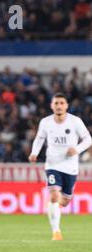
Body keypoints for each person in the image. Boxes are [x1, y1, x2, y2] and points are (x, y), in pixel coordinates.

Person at [29, 93, 92, 241]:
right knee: (54, 195)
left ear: (66, 106)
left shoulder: (75, 121)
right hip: (52, 164)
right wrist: (34, 153)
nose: (58, 106)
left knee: (64, 201)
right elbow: (39, 139)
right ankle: (56, 231)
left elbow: (88, 139)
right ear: (51, 105)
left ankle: (55, 206)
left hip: (70, 166)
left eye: (61, 103)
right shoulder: (45, 122)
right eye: (56, 103)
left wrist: (76, 149)